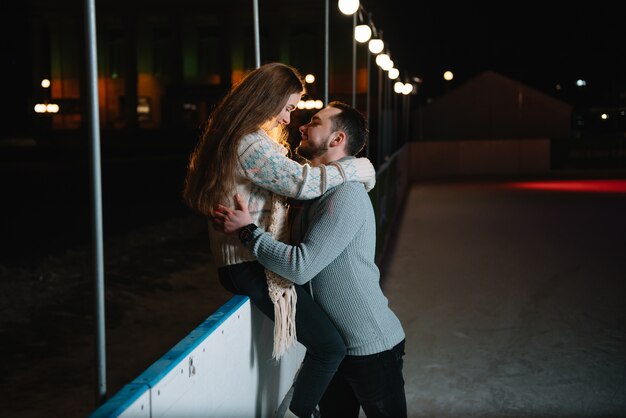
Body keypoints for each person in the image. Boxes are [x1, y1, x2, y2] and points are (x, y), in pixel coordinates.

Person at [182, 63, 377, 418]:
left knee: (325, 342)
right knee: (330, 347)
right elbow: (301, 183)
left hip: (245, 261)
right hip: (247, 263)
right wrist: (357, 168)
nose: (288, 119)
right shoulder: (249, 142)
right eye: (287, 108)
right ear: (267, 100)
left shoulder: (244, 138)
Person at [213, 101, 407, 417]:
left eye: (315, 122)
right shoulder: (319, 194)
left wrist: (248, 233)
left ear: (337, 140)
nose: (301, 125)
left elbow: (300, 266)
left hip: (373, 347)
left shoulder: (347, 195)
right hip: (337, 349)